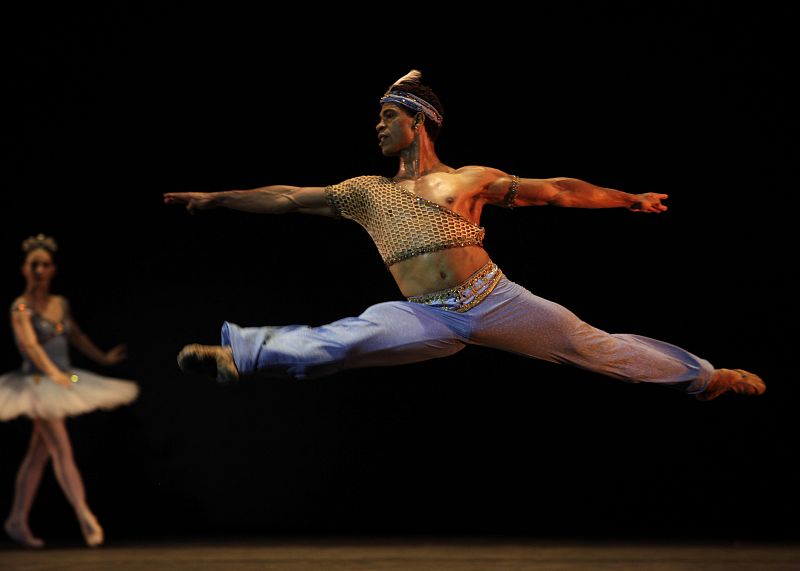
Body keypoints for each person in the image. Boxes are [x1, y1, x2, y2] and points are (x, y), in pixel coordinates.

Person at [163, 69, 765, 402]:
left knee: (596, 348)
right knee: (340, 343)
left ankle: (706, 377)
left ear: (417, 120)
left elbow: (555, 190)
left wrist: (628, 198)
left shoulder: (468, 181)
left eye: (387, 116)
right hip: (425, 314)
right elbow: (291, 198)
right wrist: (216, 197)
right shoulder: (364, 191)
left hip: (495, 300)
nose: (377, 127)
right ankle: (242, 356)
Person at [0, 234, 139, 548]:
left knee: (38, 455)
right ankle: (84, 514)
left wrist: (102, 357)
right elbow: (30, 346)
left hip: (60, 379)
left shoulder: (60, 304)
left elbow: (75, 335)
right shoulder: (20, 307)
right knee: (61, 450)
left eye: (45, 265)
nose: (39, 270)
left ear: (52, 269)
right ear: (24, 269)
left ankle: (17, 518)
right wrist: (52, 373)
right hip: (37, 384)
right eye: (34, 264)